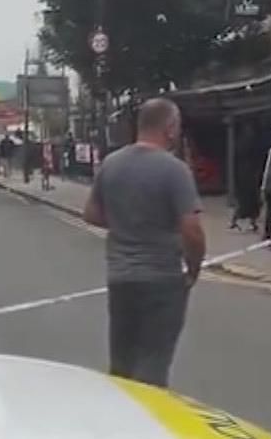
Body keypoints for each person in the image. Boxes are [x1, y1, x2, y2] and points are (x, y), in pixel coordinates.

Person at [83, 98, 206, 388]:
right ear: (170, 128)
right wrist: (194, 268)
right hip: (161, 277)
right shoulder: (174, 170)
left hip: (121, 276)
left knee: (122, 360)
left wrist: (126, 223)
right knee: (154, 361)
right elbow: (192, 230)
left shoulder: (111, 163)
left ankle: (120, 417)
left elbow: (91, 213)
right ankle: (146, 424)